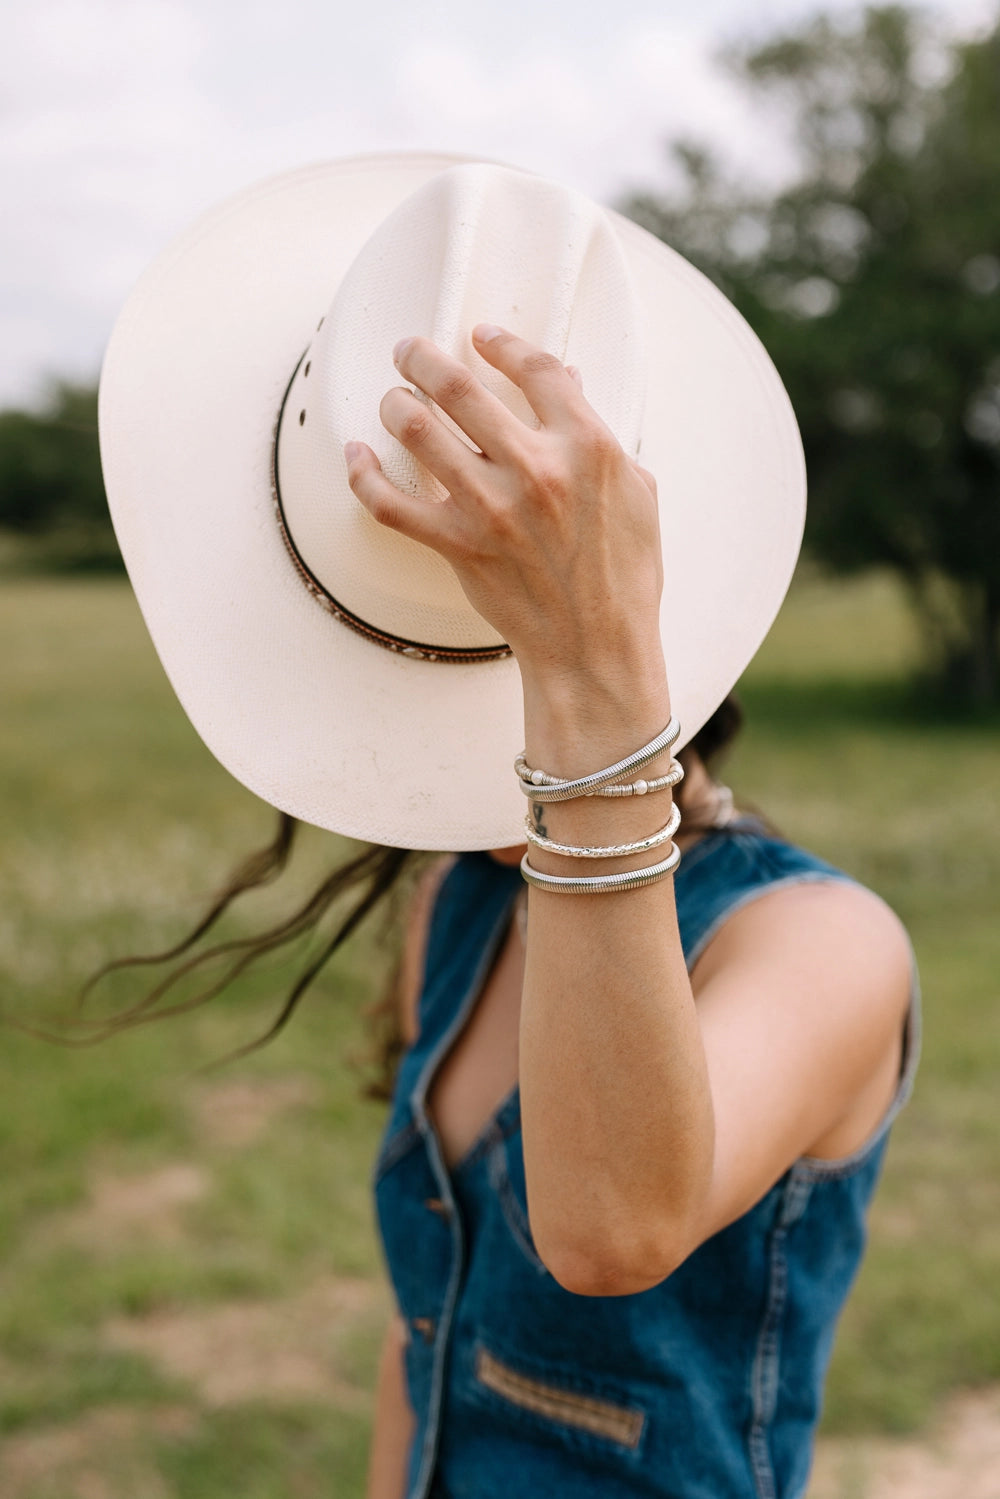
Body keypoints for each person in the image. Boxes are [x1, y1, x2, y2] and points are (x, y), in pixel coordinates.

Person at [98, 155, 919, 1499]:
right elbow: (417, 1335)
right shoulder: (458, 901)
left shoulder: (818, 942)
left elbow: (610, 1233)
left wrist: (588, 671)